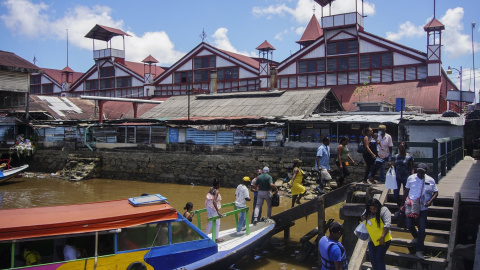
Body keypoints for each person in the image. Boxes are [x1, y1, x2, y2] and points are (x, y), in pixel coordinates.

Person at [404, 163, 438, 259]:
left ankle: (419, 250)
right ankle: (416, 237)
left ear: (425, 172)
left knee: (422, 229)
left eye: (422, 171)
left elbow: (436, 192)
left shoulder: (430, 180)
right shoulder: (411, 178)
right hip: (411, 206)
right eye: (418, 170)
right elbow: (406, 190)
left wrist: (430, 201)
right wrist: (402, 203)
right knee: (409, 224)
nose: (419, 173)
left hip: (423, 208)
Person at [361, 198, 392, 270]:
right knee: (372, 258)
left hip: (384, 238)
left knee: (379, 257)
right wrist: (365, 217)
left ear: (378, 207)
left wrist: (382, 237)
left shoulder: (384, 210)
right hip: (372, 238)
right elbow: (362, 217)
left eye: (374, 209)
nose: (372, 210)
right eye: (371, 209)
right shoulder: (368, 211)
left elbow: (387, 224)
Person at [393, 142, 414, 206]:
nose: (401, 149)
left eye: (403, 147)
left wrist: (412, 177)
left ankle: (404, 207)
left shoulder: (409, 157)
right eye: (400, 147)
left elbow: (412, 168)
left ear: (405, 148)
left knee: (406, 194)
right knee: (395, 195)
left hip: (406, 178)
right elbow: (394, 167)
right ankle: (399, 206)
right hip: (397, 178)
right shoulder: (396, 156)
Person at [205, 179, 224, 243]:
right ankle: (216, 238)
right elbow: (214, 201)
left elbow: (210, 198)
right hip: (213, 209)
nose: (219, 186)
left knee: (210, 222)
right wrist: (218, 211)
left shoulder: (211, 189)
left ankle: (205, 235)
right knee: (217, 223)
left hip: (208, 207)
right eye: (219, 185)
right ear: (217, 185)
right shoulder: (216, 192)